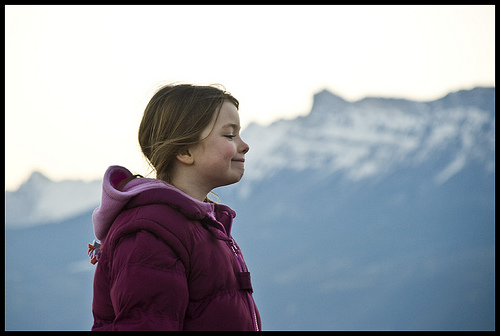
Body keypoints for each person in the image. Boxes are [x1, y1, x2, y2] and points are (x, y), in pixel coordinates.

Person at [89, 84, 260, 331]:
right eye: (230, 136)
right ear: (184, 150)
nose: (244, 146)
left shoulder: (201, 227)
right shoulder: (151, 234)